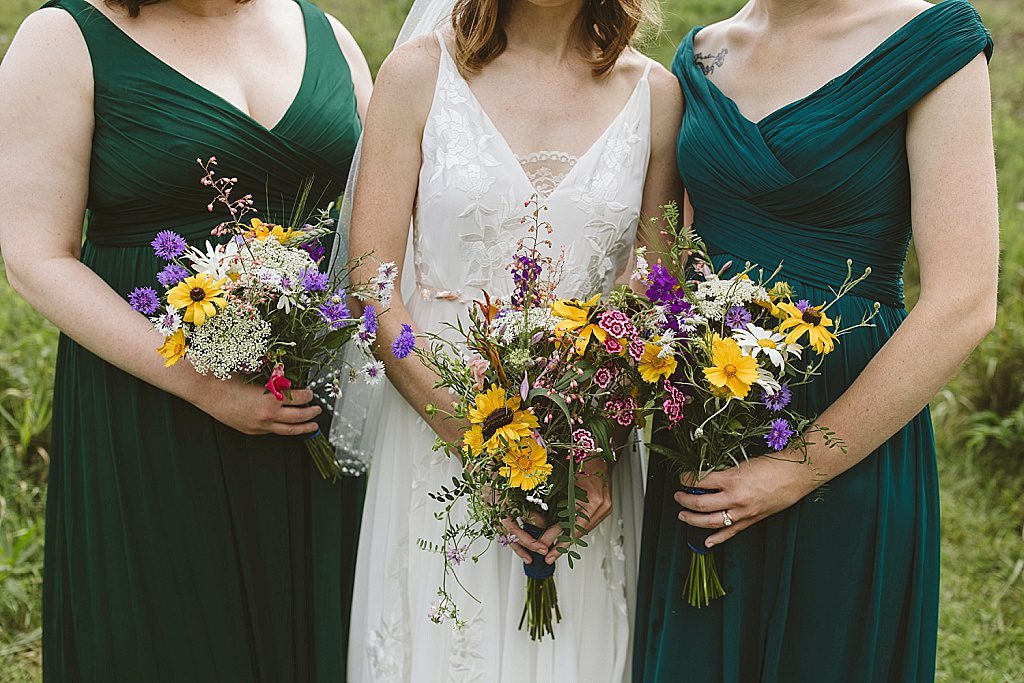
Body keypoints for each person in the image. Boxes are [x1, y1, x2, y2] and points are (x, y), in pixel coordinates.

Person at [0, 0, 371, 679]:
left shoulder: (326, 34)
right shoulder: (64, 39)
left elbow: (381, 225)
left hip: (318, 414)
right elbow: (35, 256)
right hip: (153, 410)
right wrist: (200, 385)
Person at [633, 0, 998, 681]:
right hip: (707, 420)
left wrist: (796, 468)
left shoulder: (931, 42)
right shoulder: (705, 52)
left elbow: (964, 302)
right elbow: (672, 262)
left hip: (845, 424)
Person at [343, 0, 683, 678]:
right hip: (436, 422)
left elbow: (655, 288)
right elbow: (373, 282)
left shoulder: (655, 94)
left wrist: (597, 447)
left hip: (585, 433)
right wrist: (475, 440)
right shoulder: (418, 74)